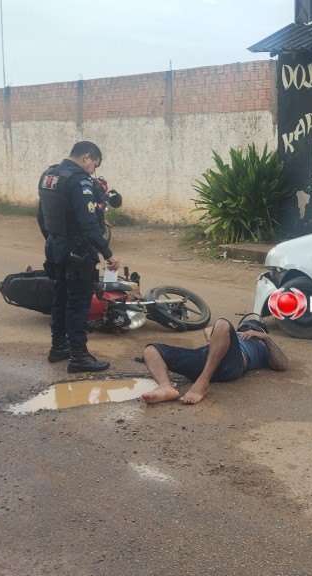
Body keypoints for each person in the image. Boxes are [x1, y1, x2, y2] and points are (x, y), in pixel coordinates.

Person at [37, 141, 121, 373]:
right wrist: (108, 254)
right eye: (94, 164)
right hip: (78, 251)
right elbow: (88, 226)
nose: (93, 170)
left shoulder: (49, 175)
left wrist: (54, 239)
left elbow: (42, 216)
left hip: (55, 247)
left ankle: (59, 348)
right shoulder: (79, 179)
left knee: (60, 298)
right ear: (86, 157)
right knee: (78, 304)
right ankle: (79, 357)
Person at [139, 318, 289, 404]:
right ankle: (166, 387)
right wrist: (224, 337)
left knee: (223, 323)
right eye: (245, 327)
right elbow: (209, 330)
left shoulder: (262, 345)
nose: (247, 330)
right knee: (151, 350)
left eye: (252, 327)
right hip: (206, 357)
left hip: (232, 364)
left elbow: (282, 364)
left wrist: (264, 337)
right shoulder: (232, 335)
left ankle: (202, 383)